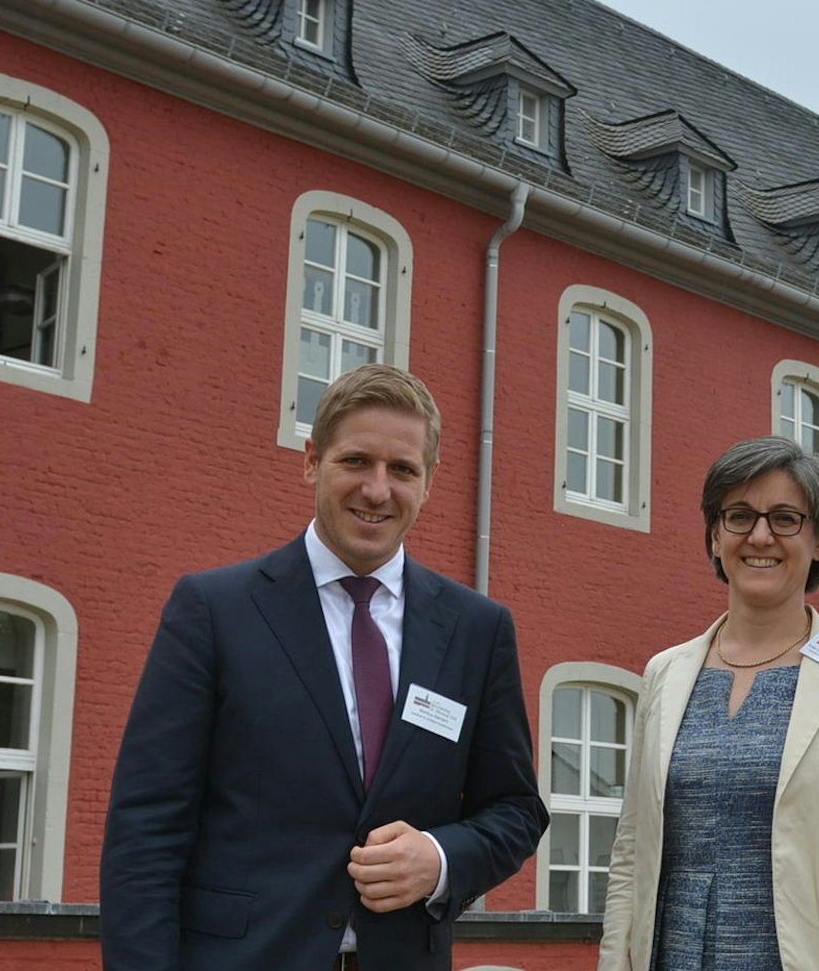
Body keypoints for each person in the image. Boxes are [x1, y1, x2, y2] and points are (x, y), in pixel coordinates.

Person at [100, 364, 548, 971]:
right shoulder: (214, 610)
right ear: (312, 461)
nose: (377, 490)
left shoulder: (477, 630)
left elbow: (517, 810)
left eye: (402, 469)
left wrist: (439, 859)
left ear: (429, 481)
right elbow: (146, 826)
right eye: (356, 461)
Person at [599, 436, 819, 971]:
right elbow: (631, 854)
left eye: (785, 519)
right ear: (715, 535)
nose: (759, 536)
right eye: (739, 516)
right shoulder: (665, 672)